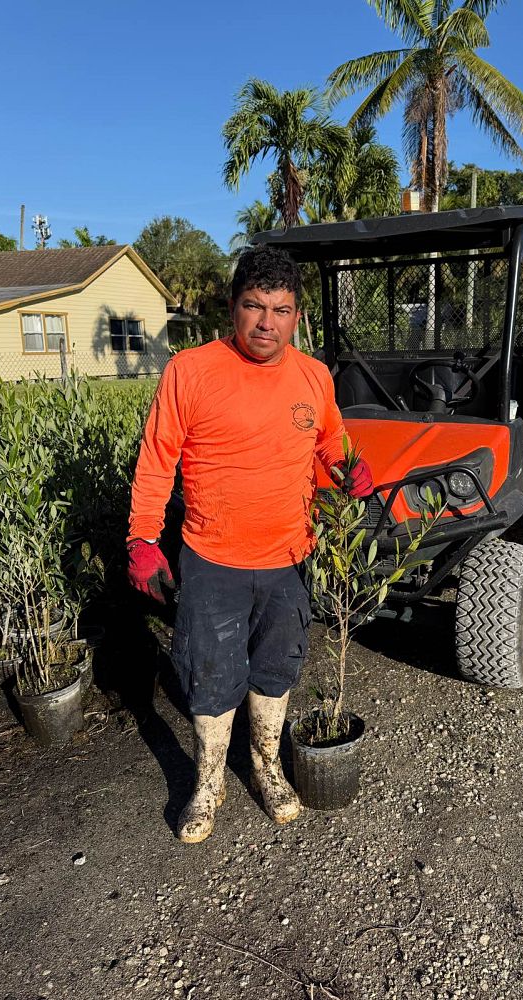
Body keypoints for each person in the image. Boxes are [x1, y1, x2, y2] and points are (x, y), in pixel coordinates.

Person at [127, 245, 372, 843]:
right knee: (209, 678)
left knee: (276, 669)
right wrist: (142, 539)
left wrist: (348, 467)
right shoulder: (191, 370)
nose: (268, 323)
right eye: (254, 306)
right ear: (232, 308)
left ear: (296, 315)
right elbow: (158, 459)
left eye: (281, 310)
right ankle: (206, 783)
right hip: (213, 562)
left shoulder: (313, 376)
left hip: (291, 559)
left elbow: (329, 439)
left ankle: (265, 768)